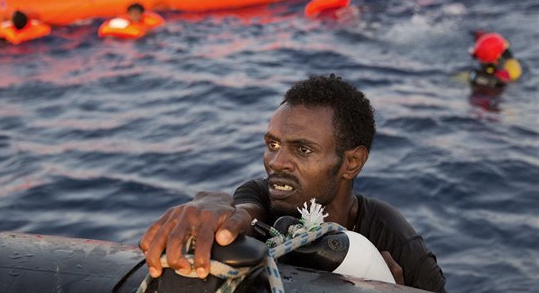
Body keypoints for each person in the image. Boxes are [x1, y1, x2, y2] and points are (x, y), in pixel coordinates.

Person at [140, 74, 447, 292]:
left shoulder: (397, 242)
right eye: (273, 145)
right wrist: (210, 204)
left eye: (302, 149)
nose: (276, 163)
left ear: (351, 163)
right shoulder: (264, 195)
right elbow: (244, 214)